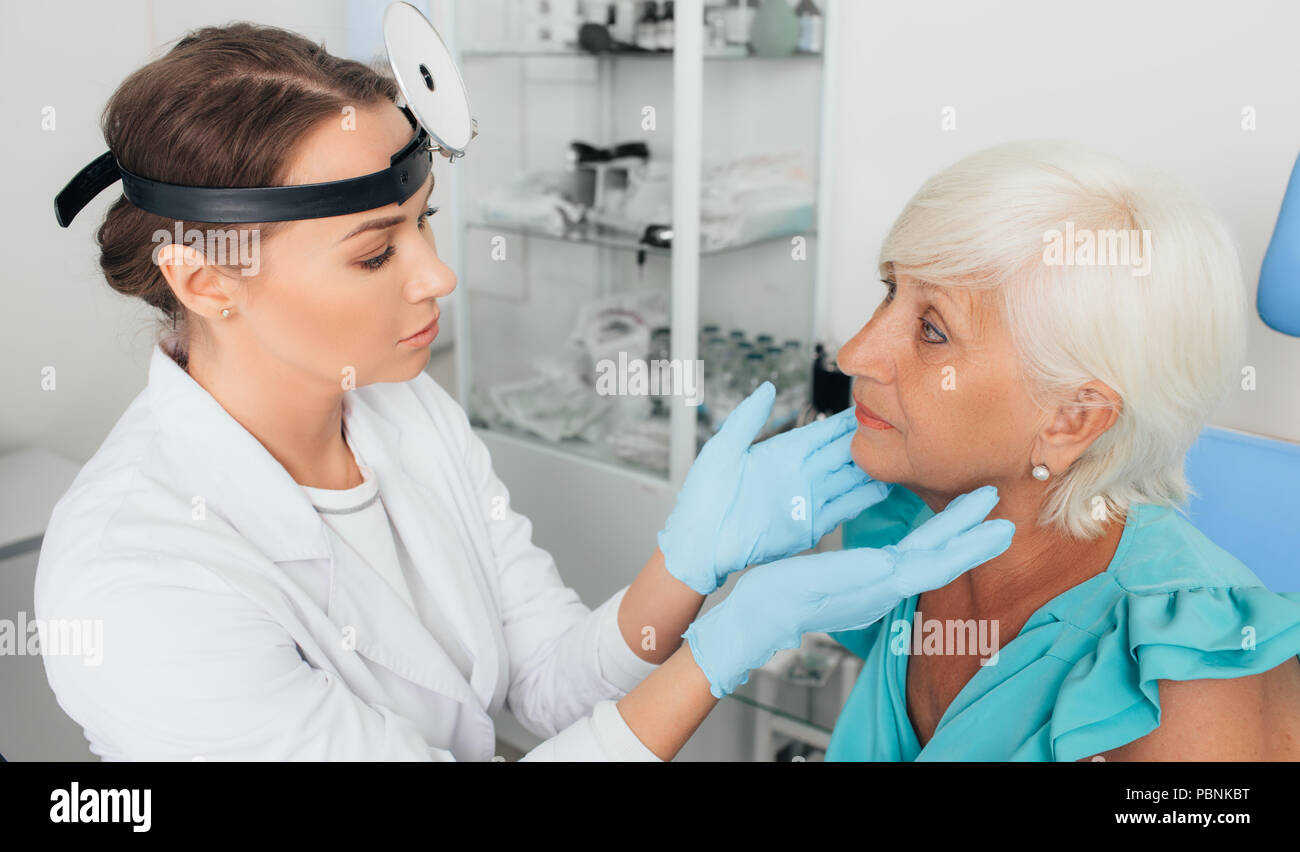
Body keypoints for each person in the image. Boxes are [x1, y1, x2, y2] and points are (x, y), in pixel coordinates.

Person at [34, 22, 1013, 761]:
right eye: (376, 252)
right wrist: (719, 652)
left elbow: (548, 687)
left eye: (426, 222)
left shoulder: (402, 411)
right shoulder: (140, 584)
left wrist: (687, 567)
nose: (436, 275)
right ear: (206, 282)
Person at [824, 140, 1300, 761]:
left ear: (1073, 419)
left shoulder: (1191, 688)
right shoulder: (903, 530)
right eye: (890, 291)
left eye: (933, 330)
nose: (855, 353)